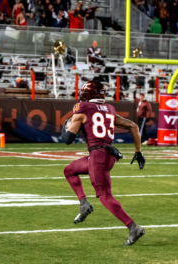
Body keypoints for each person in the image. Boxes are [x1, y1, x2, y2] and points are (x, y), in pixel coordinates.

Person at [61, 80, 146, 246]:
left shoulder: (82, 108)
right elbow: (133, 126)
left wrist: (67, 126)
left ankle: (133, 227)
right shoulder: (110, 109)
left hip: (98, 156)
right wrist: (138, 152)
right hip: (107, 155)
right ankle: (84, 204)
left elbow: (67, 139)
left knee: (105, 196)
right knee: (69, 170)